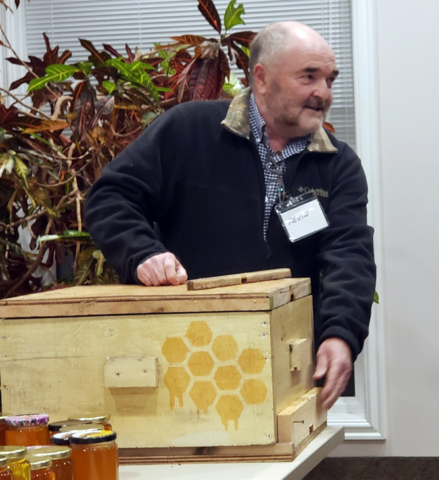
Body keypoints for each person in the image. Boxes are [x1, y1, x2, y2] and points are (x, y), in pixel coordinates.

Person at [84, 22, 376, 409]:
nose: (323, 93)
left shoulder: (339, 165)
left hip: (286, 364)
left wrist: (341, 334)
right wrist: (141, 253)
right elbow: (110, 196)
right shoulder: (188, 130)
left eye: (329, 79)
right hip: (185, 358)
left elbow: (349, 254)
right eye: (309, 77)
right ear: (261, 78)